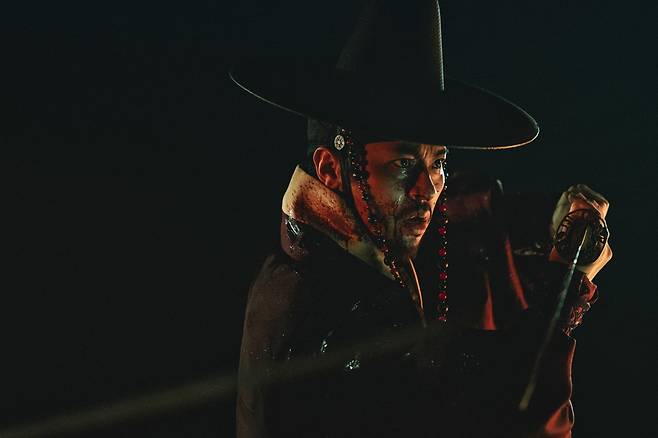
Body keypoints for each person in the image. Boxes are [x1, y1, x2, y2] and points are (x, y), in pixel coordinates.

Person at [230, 1, 612, 437]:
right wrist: (566, 282)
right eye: (403, 165)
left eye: (438, 164)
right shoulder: (339, 315)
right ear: (331, 169)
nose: (428, 189)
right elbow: (510, 419)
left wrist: (546, 219)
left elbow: (467, 207)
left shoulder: (338, 246)